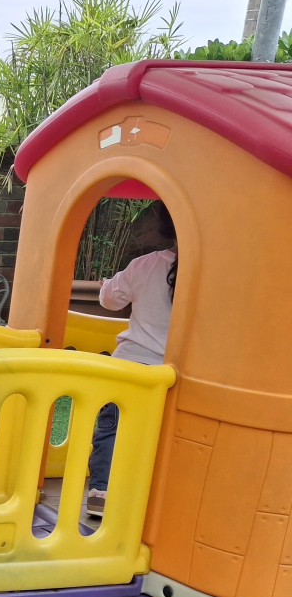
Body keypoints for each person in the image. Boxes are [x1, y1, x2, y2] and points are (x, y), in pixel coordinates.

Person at [87, 200, 178, 518]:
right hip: (174, 371)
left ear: (164, 227)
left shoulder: (146, 265)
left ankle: (101, 491)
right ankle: (150, 496)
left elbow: (110, 300)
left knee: (112, 428)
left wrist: (106, 285)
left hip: (130, 365)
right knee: (161, 432)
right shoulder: (211, 273)